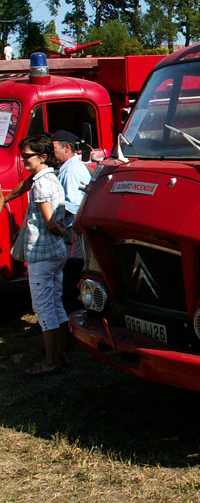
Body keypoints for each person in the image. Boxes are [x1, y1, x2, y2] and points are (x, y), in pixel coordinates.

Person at [1, 135, 68, 375]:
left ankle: (50, 360)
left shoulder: (41, 184)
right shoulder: (49, 177)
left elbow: (49, 221)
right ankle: (60, 354)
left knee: (43, 308)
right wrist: (6, 197)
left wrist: (60, 230)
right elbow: (26, 185)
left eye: (27, 156)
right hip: (55, 253)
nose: (23, 159)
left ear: (42, 156)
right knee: (56, 303)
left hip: (42, 254)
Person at [51, 130, 92, 313]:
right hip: (67, 228)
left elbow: (74, 204)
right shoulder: (67, 168)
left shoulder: (72, 170)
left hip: (71, 229)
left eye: (53, 149)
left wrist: (48, 211)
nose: (51, 153)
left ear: (66, 147)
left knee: (71, 273)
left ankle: (73, 313)